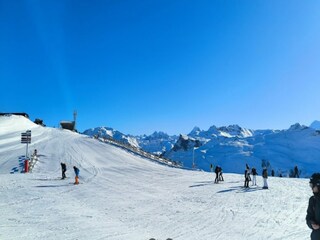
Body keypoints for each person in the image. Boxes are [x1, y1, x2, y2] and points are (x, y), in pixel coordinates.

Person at [306, 173, 320, 239]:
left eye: (312, 185)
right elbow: (309, 216)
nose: (311, 188)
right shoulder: (312, 200)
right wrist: (311, 224)